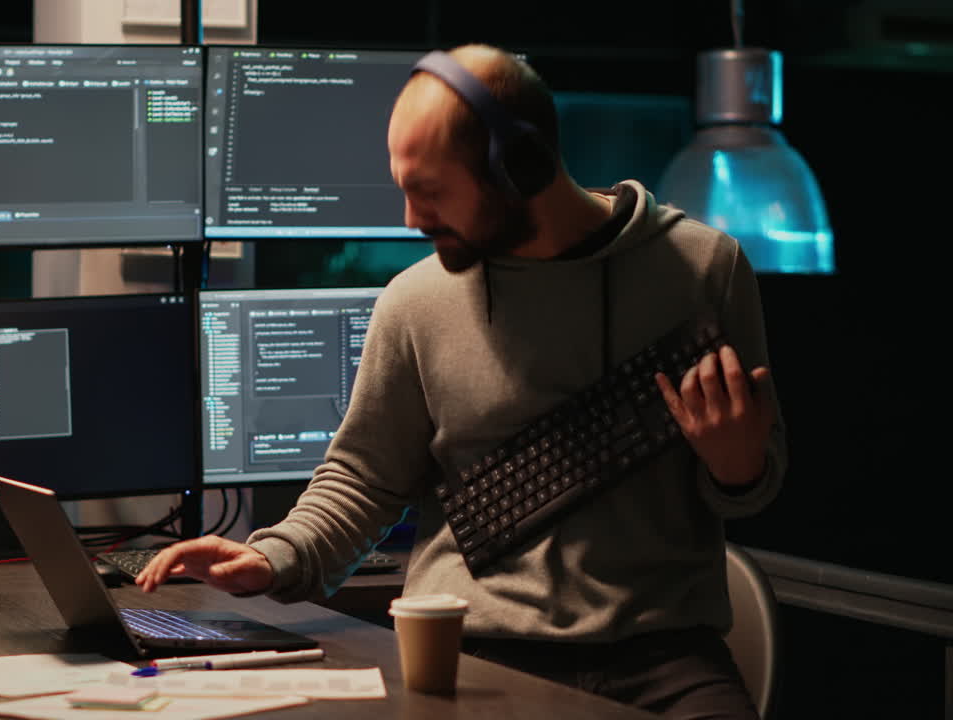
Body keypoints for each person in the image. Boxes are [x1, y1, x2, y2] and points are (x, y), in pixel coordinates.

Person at [137, 43, 786, 719]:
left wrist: (737, 469)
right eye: (404, 188)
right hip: (476, 648)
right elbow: (365, 477)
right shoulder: (415, 302)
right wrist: (270, 557)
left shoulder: (704, 271)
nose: (412, 220)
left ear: (519, 167)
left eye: (431, 191)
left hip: (664, 655)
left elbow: (759, 479)